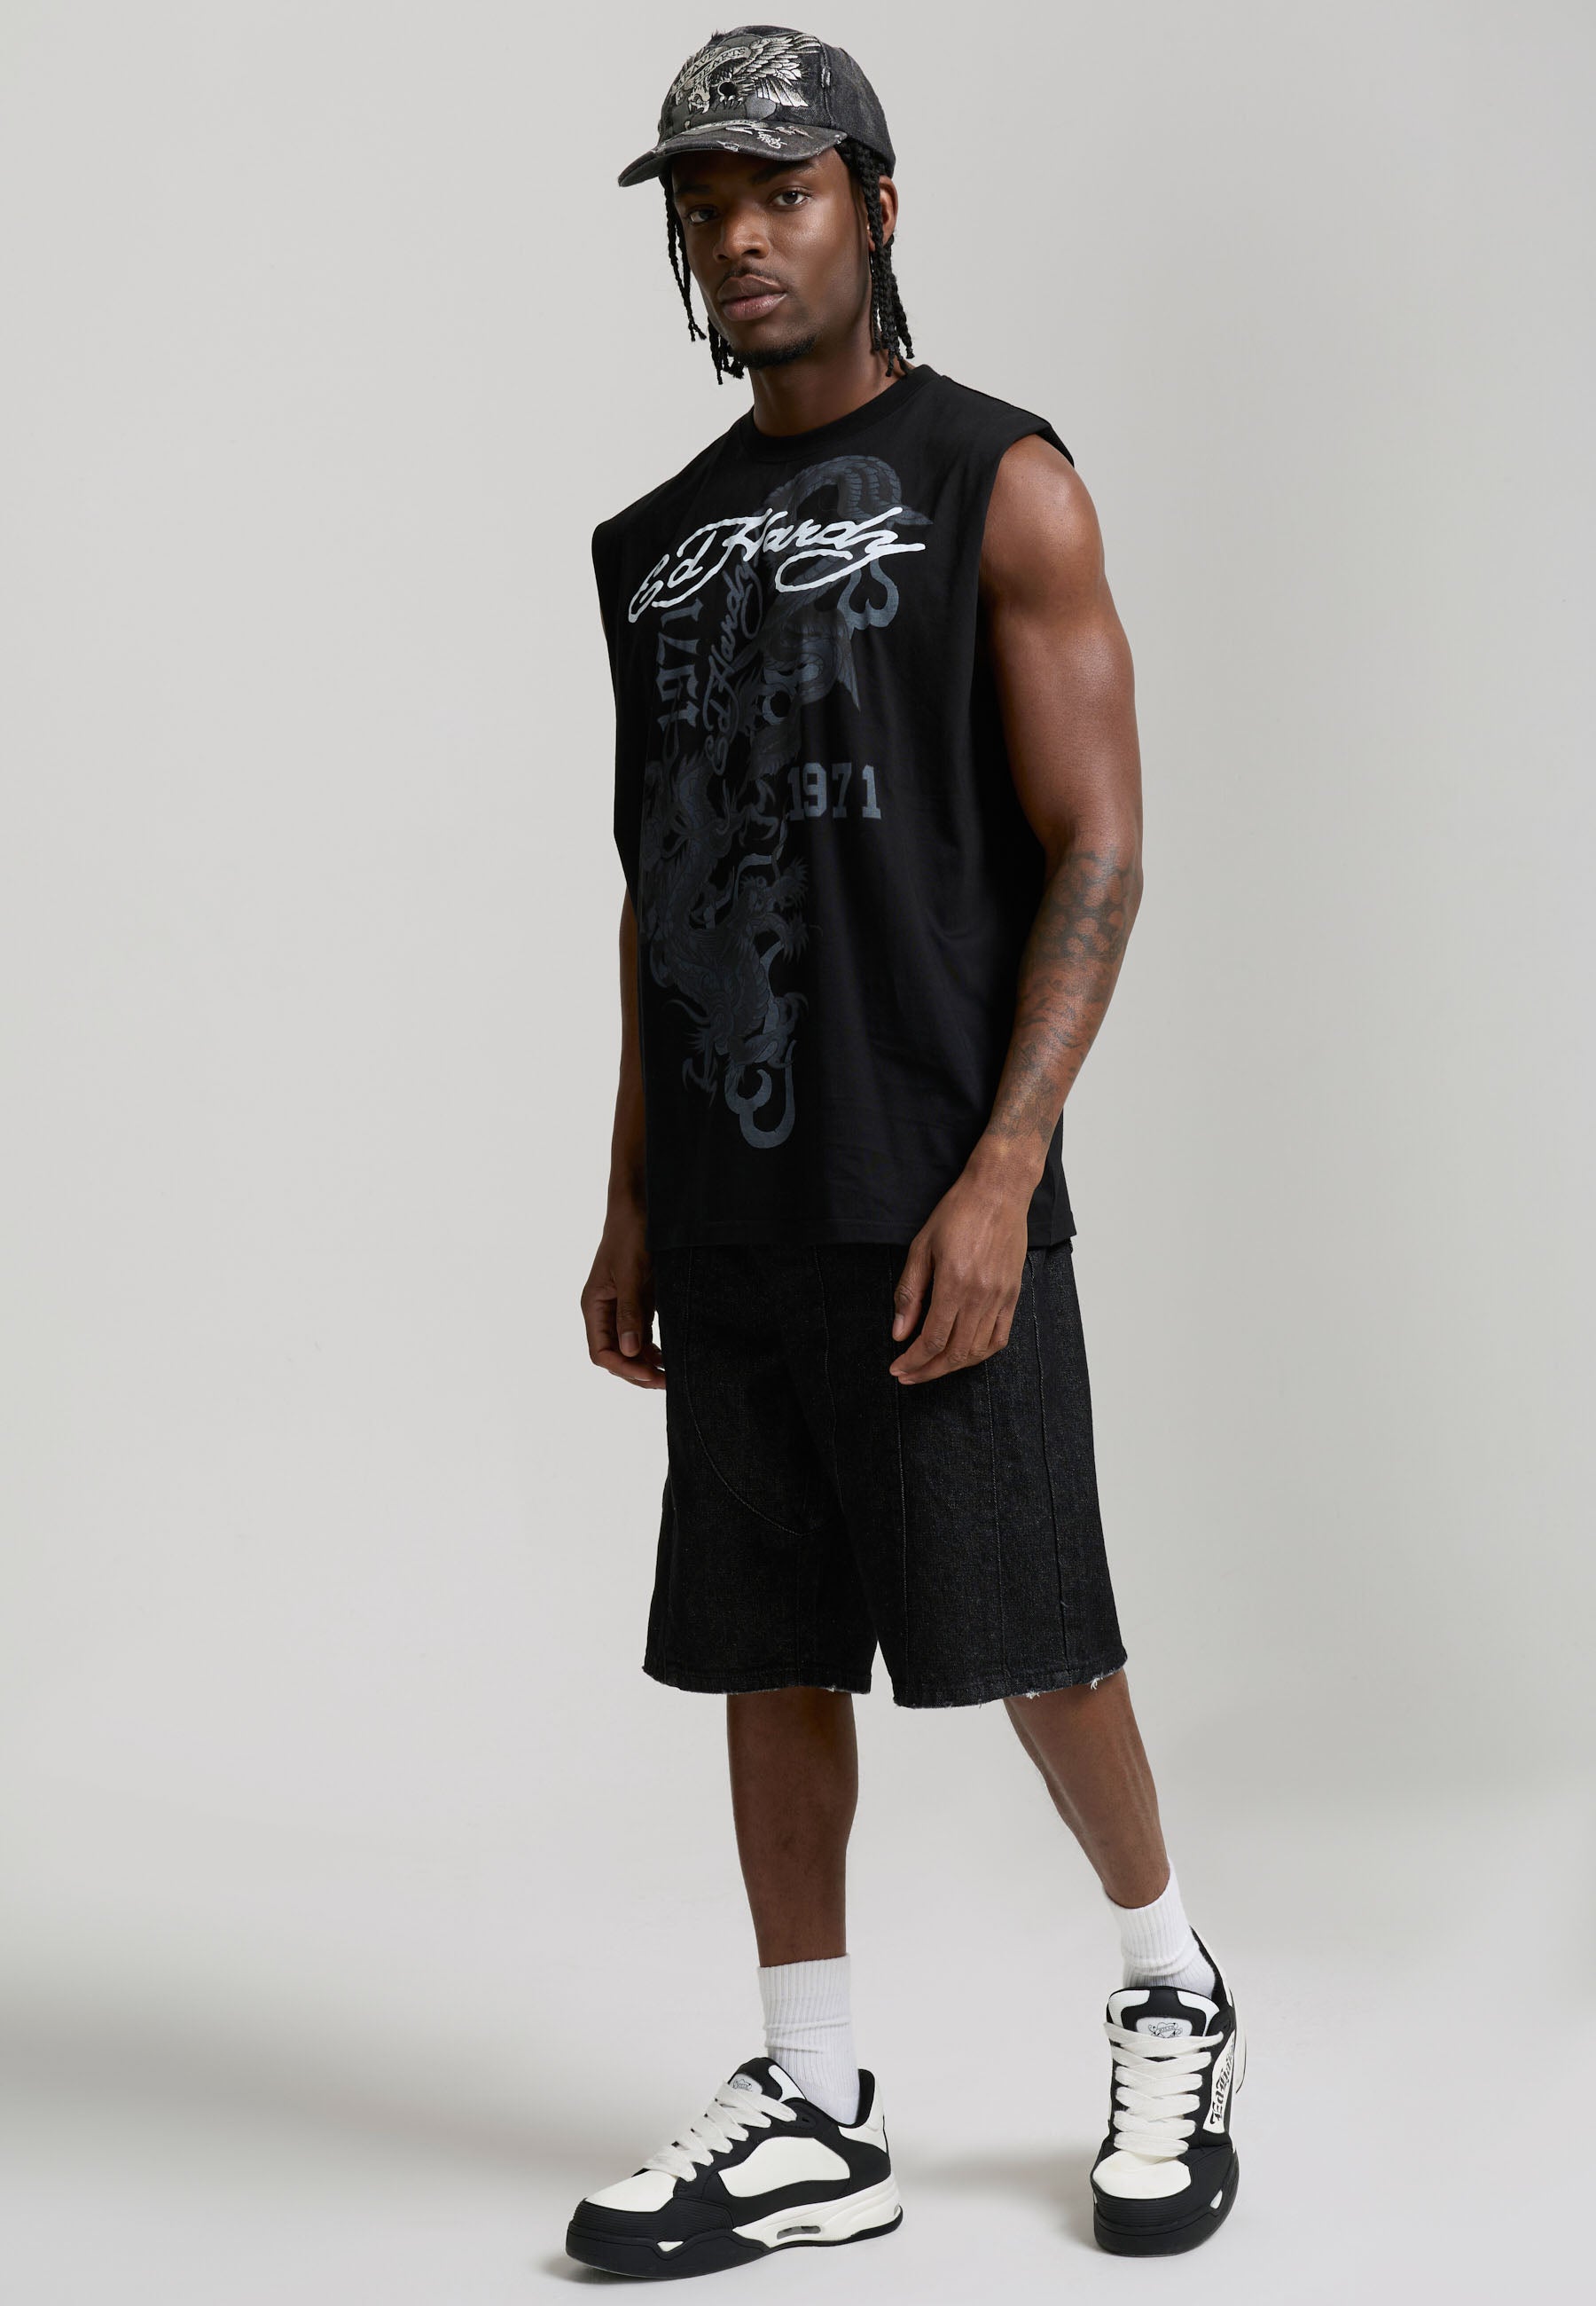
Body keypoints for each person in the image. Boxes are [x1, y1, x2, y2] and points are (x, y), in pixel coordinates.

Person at [567, 24, 1243, 2279]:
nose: (740, 240)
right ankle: (813, 2097)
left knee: (1037, 1632)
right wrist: (632, 1187)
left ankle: (1171, 1984)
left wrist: (1003, 1168)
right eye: (705, 208)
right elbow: (661, 882)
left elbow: (1100, 847)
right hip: (735, 1192)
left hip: (938, 1176)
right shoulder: (649, 543)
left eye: (781, 193)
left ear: (872, 202)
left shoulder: (1000, 482)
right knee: (767, 1646)